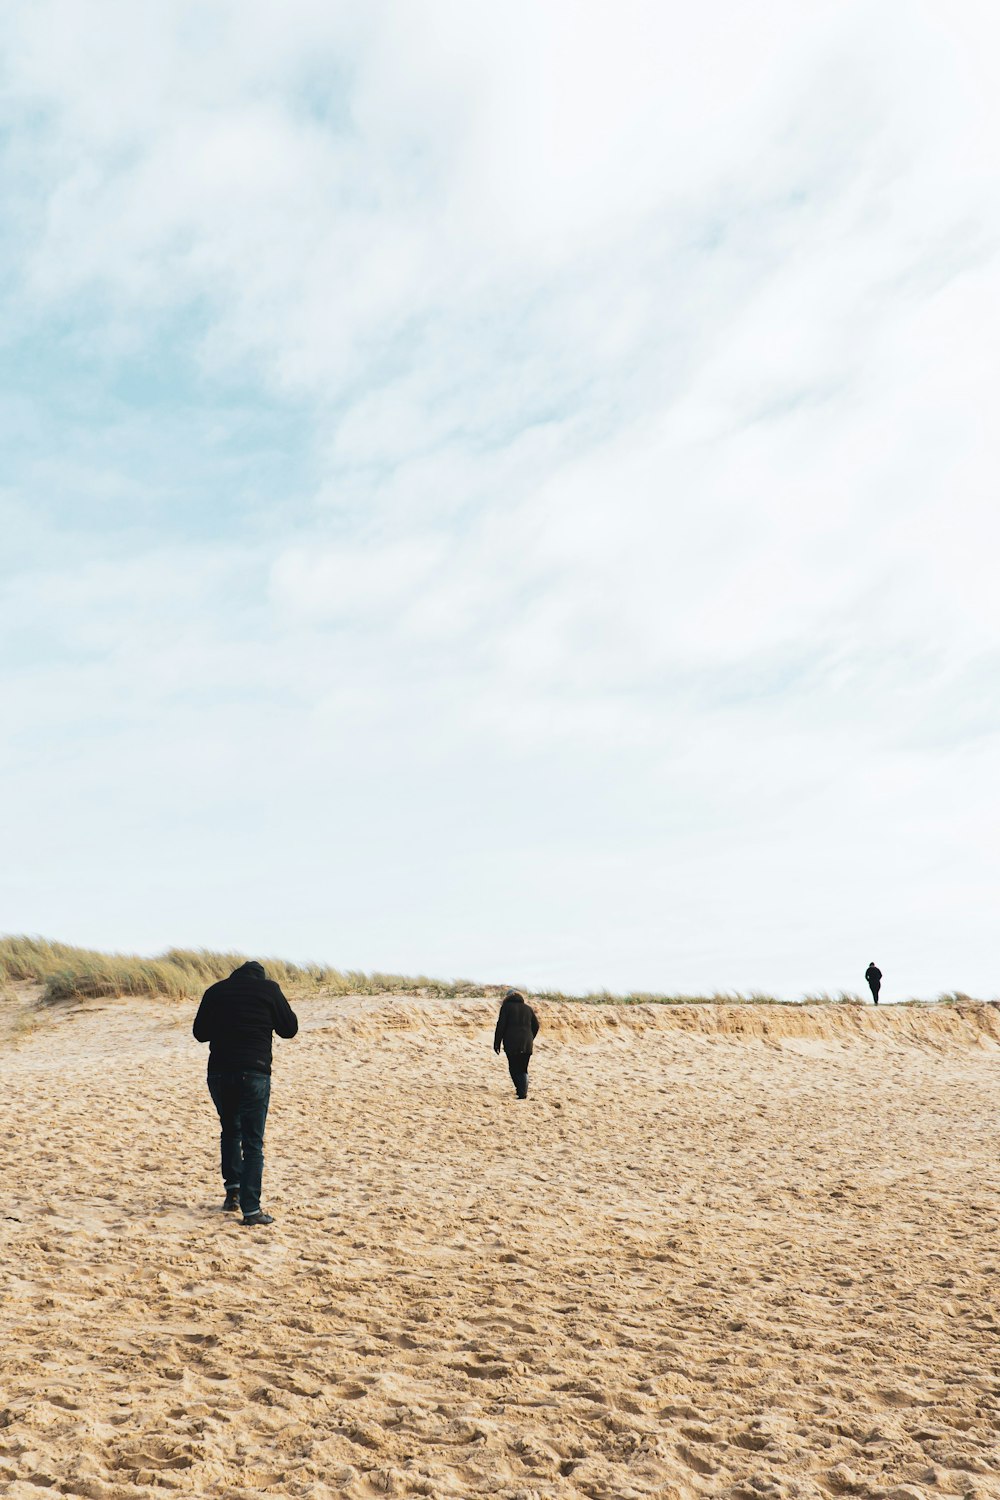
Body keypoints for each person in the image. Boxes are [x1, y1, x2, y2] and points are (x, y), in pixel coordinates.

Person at [193, 960, 298, 1226]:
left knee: (230, 1131)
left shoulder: (216, 991)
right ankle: (251, 1210)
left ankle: (233, 1194)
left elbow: (200, 1033)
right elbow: (290, 1029)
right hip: (254, 1071)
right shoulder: (269, 990)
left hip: (219, 1072)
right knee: (253, 1143)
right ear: (260, 977)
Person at [493, 989, 539, 1099]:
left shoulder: (506, 1007)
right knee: (523, 1068)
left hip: (511, 1042)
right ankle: (522, 1091)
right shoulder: (528, 1008)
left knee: (513, 1067)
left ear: (507, 997)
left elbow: (501, 1026)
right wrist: (530, 1037)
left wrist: (497, 1043)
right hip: (527, 1042)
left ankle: (521, 1092)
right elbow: (536, 1026)